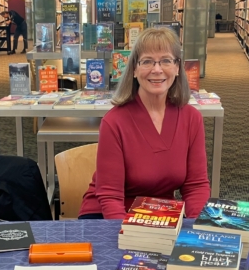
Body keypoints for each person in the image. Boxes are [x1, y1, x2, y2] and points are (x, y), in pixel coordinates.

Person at [78, 27, 210, 220]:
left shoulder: (191, 118)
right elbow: (110, 195)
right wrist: (127, 233)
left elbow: (195, 186)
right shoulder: (114, 122)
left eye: (166, 60)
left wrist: (195, 229)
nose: (157, 70)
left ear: (177, 67)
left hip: (160, 213)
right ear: (134, 69)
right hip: (108, 213)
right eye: (147, 61)